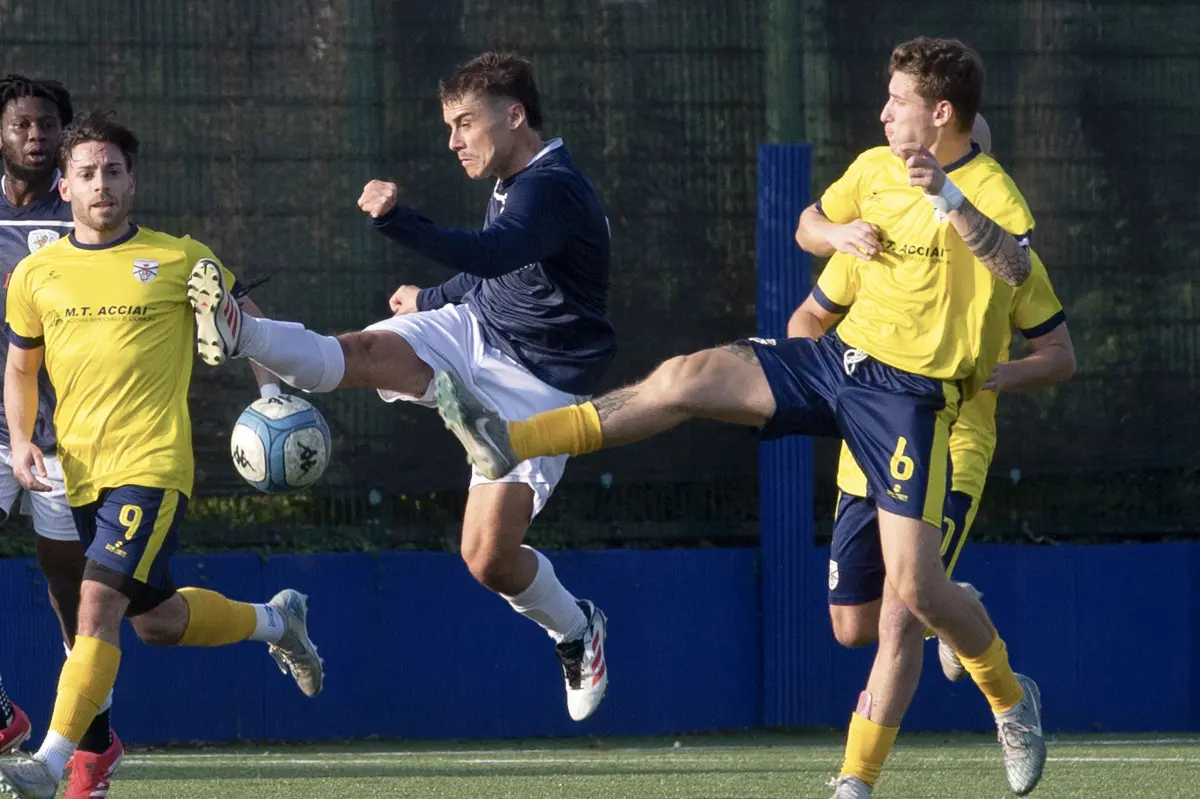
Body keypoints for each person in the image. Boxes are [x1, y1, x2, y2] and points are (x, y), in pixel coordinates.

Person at [433, 37, 1047, 798]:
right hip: (836, 365)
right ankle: (509, 439)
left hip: (911, 401)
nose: (883, 112)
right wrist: (838, 234)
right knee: (690, 377)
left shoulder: (991, 189)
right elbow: (812, 222)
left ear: (943, 114)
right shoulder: (874, 167)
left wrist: (950, 202)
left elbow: (1017, 267)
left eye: (898, 103)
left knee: (913, 598)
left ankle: (978, 717)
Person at [188, 51, 613, 721]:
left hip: (538, 382)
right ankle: (242, 333)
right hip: (473, 329)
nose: (453, 141)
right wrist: (433, 296)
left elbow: (496, 252)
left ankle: (576, 626)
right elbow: (500, 269)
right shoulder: (516, 176)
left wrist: (397, 221)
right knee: (360, 352)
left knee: (488, 558)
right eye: (449, 126)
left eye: (464, 123)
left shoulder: (552, 185)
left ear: (514, 115)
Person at [0, 112, 322, 799]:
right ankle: (276, 620)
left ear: (132, 180)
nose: (101, 184)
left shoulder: (179, 258)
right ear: (65, 185)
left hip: (151, 466)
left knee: (93, 607)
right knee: (159, 621)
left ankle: (57, 762)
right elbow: (22, 368)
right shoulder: (36, 274)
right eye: (86, 173)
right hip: (78, 473)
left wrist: (271, 396)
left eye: (113, 170)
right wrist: (23, 437)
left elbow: (245, 319)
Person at [0, 74, 125, 799]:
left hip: (64, 439)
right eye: (21, 124)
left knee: (69, 596)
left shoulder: (83, 210)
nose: (35, 136)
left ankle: (96, 747)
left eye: (48, 124)